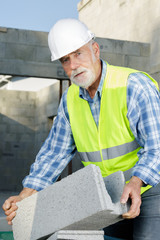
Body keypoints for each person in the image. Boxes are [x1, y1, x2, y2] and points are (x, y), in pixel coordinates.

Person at [2, 18, 160, 240]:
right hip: (109, 194)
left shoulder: (132, 86)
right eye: (65, 60)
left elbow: (157, 146)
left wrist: (137, 181)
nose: (73, 65)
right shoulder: (70, 100)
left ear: (95, 50)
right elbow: (55, 152)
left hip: (151, 189)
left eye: (78, 54)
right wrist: (27, 194)